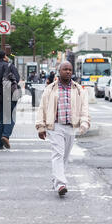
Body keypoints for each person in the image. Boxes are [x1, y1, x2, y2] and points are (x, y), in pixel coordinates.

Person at [35, 61, 90, 196]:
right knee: (58, 154)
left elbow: (84, 108)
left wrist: (84, 123)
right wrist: (41, 127)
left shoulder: (78, 89)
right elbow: (42, 108)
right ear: (59, 71)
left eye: (70, 70)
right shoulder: (50, 89)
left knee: (65, 157)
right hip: (55, 126)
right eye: (65, 69)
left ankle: (57, 178)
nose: (68, 72)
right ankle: (61, 184)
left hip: (71, 127)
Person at [0, 51, 21, 150]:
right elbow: (17, 78)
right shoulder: (10, 66)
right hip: (9, 95)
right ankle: (6, 135)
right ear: (4, 57)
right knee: (10, 116)